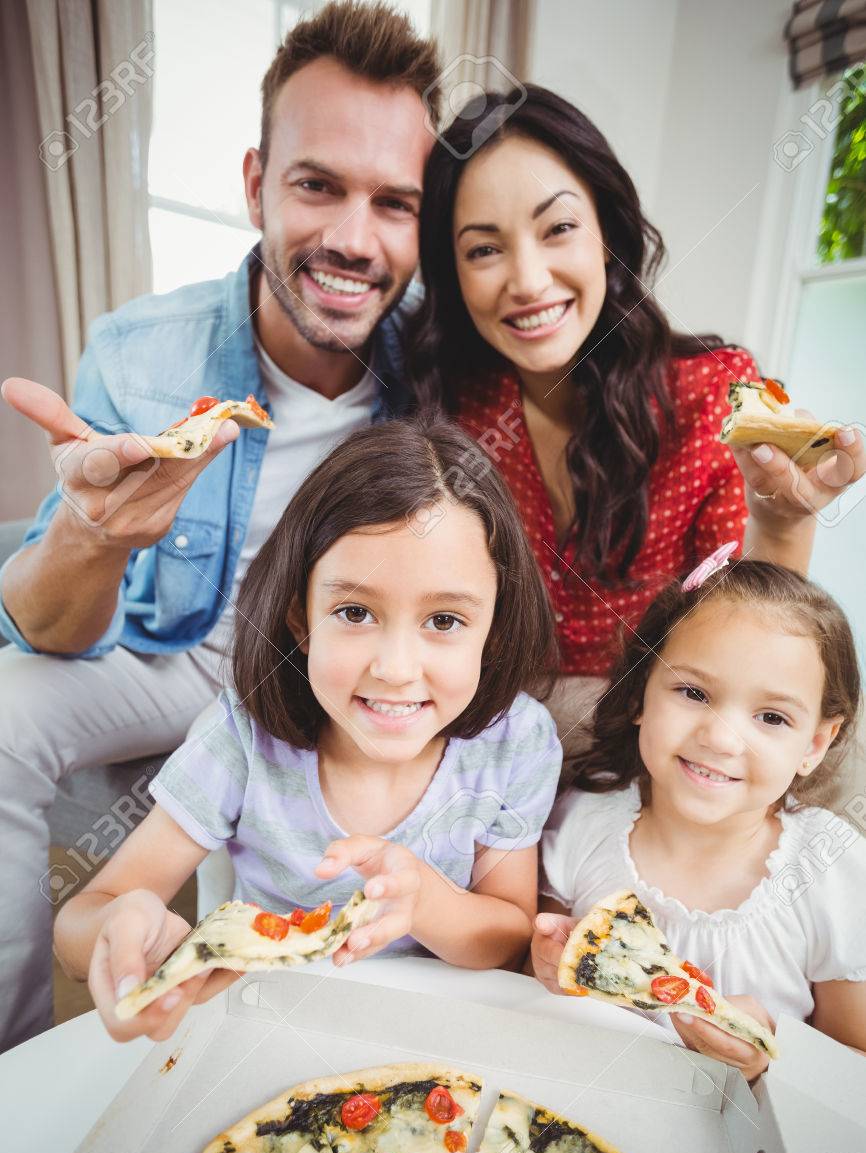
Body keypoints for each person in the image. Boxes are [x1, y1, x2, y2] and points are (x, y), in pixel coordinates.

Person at [0, 1, 441, 1050]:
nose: (349, 237)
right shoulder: (141, 355)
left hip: (340, 666)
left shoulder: (451, 363)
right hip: (178, 655)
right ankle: (17, 1078)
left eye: (393, 204)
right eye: (316, 185)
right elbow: (50, 630)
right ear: (255, 184)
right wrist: (94, 537)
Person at [54, 418, 563, 1043]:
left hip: (444, 1043)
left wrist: (427, 904)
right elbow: (80, 923)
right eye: (354, 612)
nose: (396, 669)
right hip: (272, 1033)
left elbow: (510, 938)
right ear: (300, 618)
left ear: (495, 625)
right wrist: (119, 928)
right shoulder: (242, 738)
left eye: (445, 620)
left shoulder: (515, 744)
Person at [407, 84, 866, 752]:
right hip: (489, 739)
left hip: (662, 741)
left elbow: (756, 639)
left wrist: (784, 520)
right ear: (452, 273)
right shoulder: (454, 404)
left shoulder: (709, 393)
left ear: (608, 238)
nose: (529, 279)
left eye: (558, 228)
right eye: (485, 249)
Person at [530, 555, 866, 1081]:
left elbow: (854, 1064)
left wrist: (768, 1052)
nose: (720, 738)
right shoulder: (583, 820)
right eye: (693, 693)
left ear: (816, 744)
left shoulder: (830, 870)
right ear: (641, 694)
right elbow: (534, 981)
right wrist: (545, 965)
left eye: (771, 717)